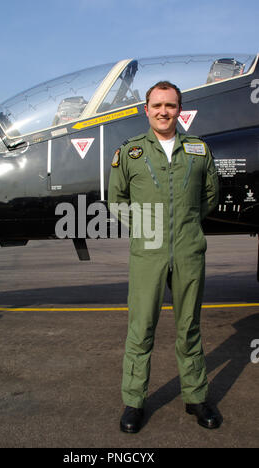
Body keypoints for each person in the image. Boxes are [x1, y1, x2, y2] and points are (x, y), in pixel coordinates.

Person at [108, 81, 220, 433]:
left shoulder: (199, 150)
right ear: (147, 109)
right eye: (157, 105)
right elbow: (117, 200)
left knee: (189, 328)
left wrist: (184, 224)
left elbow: (210, 197)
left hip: (188, 251)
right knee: (141, 330)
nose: (163, 111)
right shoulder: (130, 152)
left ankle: (196, 396)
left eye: (170, 106)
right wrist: (148, 229)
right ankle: (134, 402)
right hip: (148, 254)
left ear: (179, 110)